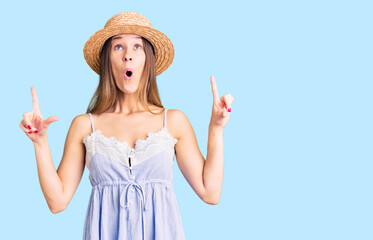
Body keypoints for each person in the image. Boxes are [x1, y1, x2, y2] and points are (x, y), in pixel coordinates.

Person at [19, 12, 234, 239]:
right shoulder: (85, 126)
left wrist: (216, 128)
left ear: (147, 59)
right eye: (118, 47)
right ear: (107, 60)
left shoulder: (173, 121)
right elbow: (57, 201)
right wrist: (40, 143)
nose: (128, 56)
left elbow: (210, 192)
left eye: (137, 47)